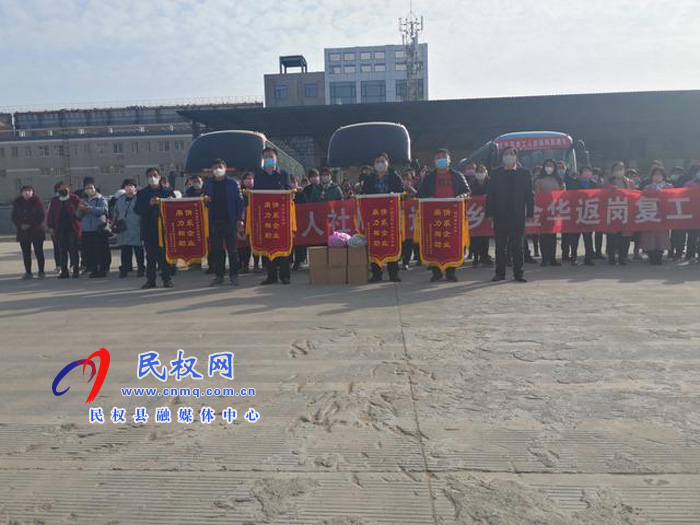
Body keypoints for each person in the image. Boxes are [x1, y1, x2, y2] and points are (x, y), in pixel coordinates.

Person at [417, 149, 470, 282]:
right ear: (435, 161)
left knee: (451, 242)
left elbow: (467, 191)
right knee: (435, 241)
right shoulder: (429, 177)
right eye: (438, 157)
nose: (441, 159)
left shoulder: (457, 175)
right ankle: (436, 272)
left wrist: (461, 196)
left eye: (444, 157)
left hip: (452, 215)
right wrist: (428, 198)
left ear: (449, 160)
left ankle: (451, 272)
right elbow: (420, 194)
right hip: (433, 215)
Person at [486, 147, 534, 282]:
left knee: (518, 247)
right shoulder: (496, 173)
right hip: (500, 214)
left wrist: (530, 212)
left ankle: (519, 274)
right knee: (500, 246)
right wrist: (489, 212)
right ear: (502, 157)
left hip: (517, 215)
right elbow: (491, 194)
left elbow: (529, 194)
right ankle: (500, 273)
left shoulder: (524, 173)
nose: (508, 156)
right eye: (506, 154)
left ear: (516, 157)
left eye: (511, 154)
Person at [361, 152, 404, 282]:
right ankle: (376, 273)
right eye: (377, 161)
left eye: (382, 161)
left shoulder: (395, 177)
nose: (380, 164)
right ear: (374, 164)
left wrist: (395, 195)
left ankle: (393, 273)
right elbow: (363, 194)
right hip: (374, 217)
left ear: (388, 163)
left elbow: (401, 194)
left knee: (391, 242)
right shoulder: (369, 179)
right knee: (375, 243)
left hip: (390, 216)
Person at [203, 159, 244, 286]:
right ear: (212, 170)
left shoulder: (233, 183)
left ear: (225, 168)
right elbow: (204, 202)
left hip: (230, 221)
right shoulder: (208, 184)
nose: (217, 169)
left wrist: (240, 219)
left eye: (220, 167)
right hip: (214, 222)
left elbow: (239, 202)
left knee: (232, 251)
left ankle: (234, 276)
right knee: (217, 251)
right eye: (215, 167)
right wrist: (205, 201)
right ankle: (219, 276)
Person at [255, 147, 292, 285]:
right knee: (267, 245)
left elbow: (288, 191)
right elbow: (256, 195)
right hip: (265, 216)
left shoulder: (284, 174)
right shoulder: (259, 175)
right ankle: (271, 276)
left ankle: (285, 276)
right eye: (266, 157)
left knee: (282, 245)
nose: (268, 159)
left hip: (280, 216)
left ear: (276, 158)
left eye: (271, 157)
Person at [135, 167, 174, 288]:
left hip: (164, 229)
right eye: (150, 176)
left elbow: (176, 208)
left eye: (155, 175)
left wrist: (169, 202)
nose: (153, 178)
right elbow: (137, 209)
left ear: (159, 177)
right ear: (146, 178)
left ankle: (167, 279)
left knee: (164, 256)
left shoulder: (168, 191)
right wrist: (149, 204)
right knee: (150, 257)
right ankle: (150, 280)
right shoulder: (142, 193)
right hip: (148, 229)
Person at [47, 181, 81, 279]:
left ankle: (75, 270)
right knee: (62, 251)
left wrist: (79, 219)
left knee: (73, 250)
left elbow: (82, 209)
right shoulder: (55, 201)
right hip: (60, 230)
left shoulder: (74, 198)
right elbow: (50, 215)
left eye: (65, 187)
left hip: (72, 229)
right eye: (61, 188)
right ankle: (64, 271)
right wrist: (50, 227)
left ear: (69, 188)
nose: (63, 189)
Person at [11, 185, 46, 280]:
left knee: (38, 251)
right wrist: (20, 224)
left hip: (36, 231)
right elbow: (14, 216)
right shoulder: (18, 202)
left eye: (29, 190)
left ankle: (41, 271)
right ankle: (28, 272)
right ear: (21, 192)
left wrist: (31, 224)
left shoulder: (37, 201)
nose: (27, 192)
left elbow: (42, 215)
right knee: (26, 253)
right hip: (23, 232)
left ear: (32, 192)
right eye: (25, 191)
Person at [76, 180, 109, 278]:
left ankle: (102, 270)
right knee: (90, 252)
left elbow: (104, 210)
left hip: (98, 229)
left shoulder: (100, 199)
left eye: (91, 188)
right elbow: (78, 215)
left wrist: (89, 208)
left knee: (100, 251)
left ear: (95, 189)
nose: (89, 190)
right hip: (87, 230)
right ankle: (93, 270)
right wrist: (80, 209)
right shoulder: (83, 200)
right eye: (87, 188)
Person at [112, 179, 144, 278]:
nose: (129, 188)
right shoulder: (120, 200)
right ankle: (125, 269)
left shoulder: (139, 199)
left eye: (131, 185)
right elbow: (115, 213)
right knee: (125, 251)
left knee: (138, 251)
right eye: (127, 185)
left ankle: (141, 269)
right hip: (124, 229)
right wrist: (114, 223)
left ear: (135, 188)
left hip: (136, 228)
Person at [534, 160, 564, 267]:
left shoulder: (558, 180)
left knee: (552, 235)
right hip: (543, 211)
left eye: (551, 166)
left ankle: (552, 258)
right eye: (547, 165)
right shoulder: (539, 180)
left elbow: (562, 194)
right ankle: (544, 258)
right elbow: (537, 195)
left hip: (554, 210)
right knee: (543, 236)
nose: (549, 167)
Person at [566, 166, 598, 266]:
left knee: (588, 238)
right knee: (574, 237)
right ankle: (573, 258)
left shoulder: (594, 184)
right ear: (581, 173)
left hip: (589, 213)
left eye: (589, 171)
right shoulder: (574, 183)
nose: (587, 173)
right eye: (585, 171)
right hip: (577, 212)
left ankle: (588, 258)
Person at [640, 166, 672, 265]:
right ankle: (651, 256)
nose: (657, 176)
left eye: (659, 174)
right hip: (650, 215)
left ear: (663, 176)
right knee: (650, 236)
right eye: (655, 175)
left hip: (663, 215)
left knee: (661, 236)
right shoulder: (647, 187)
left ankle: (659, 256)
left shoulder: (669, 187)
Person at [607, 162, 634, 265]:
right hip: (612, 211)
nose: (619, 171)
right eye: (617, 169)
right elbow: (602, 193)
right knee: (612, 237)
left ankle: (622, 257)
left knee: (625, 237)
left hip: (626, 211)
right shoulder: (608, 181)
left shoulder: (629, 182)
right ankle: (611, 257)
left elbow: (634, 194)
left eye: (621, 169)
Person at [469, 165, 493, 268]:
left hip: (487, 213)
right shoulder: (472, 184)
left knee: (485, 237)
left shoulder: (490, 183)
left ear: (486, 172)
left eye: (482, 171)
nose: (480, 173)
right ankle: (475, 258)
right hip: (475, 213)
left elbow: (494, 194)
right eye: (478, 171)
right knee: (475, 237)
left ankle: (484, 257)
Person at [238, 172, 261, 273]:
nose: (249, 180)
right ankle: (245, 265)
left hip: (255, 221)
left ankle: (256, 265)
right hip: (244, 220)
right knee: (245, 245)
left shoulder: (257, 191)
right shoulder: (240, 192)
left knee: (255, 243)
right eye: (247, 179)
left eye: (250, 178)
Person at [401, 169, 418, 270]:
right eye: (404, 179)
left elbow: (418, 196)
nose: (406, 181)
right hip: (400, 222)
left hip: (411, 222)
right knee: (401, 243)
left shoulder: (414, 191)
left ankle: (406, 261)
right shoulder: (398, 190)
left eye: (408, 179)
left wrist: (410, 189)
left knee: (409, 242)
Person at [683, 164, 700, 263]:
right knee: (692, 236)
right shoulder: (689, 184)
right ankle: (690, 255)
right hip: (693, 214)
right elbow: (684, 196)